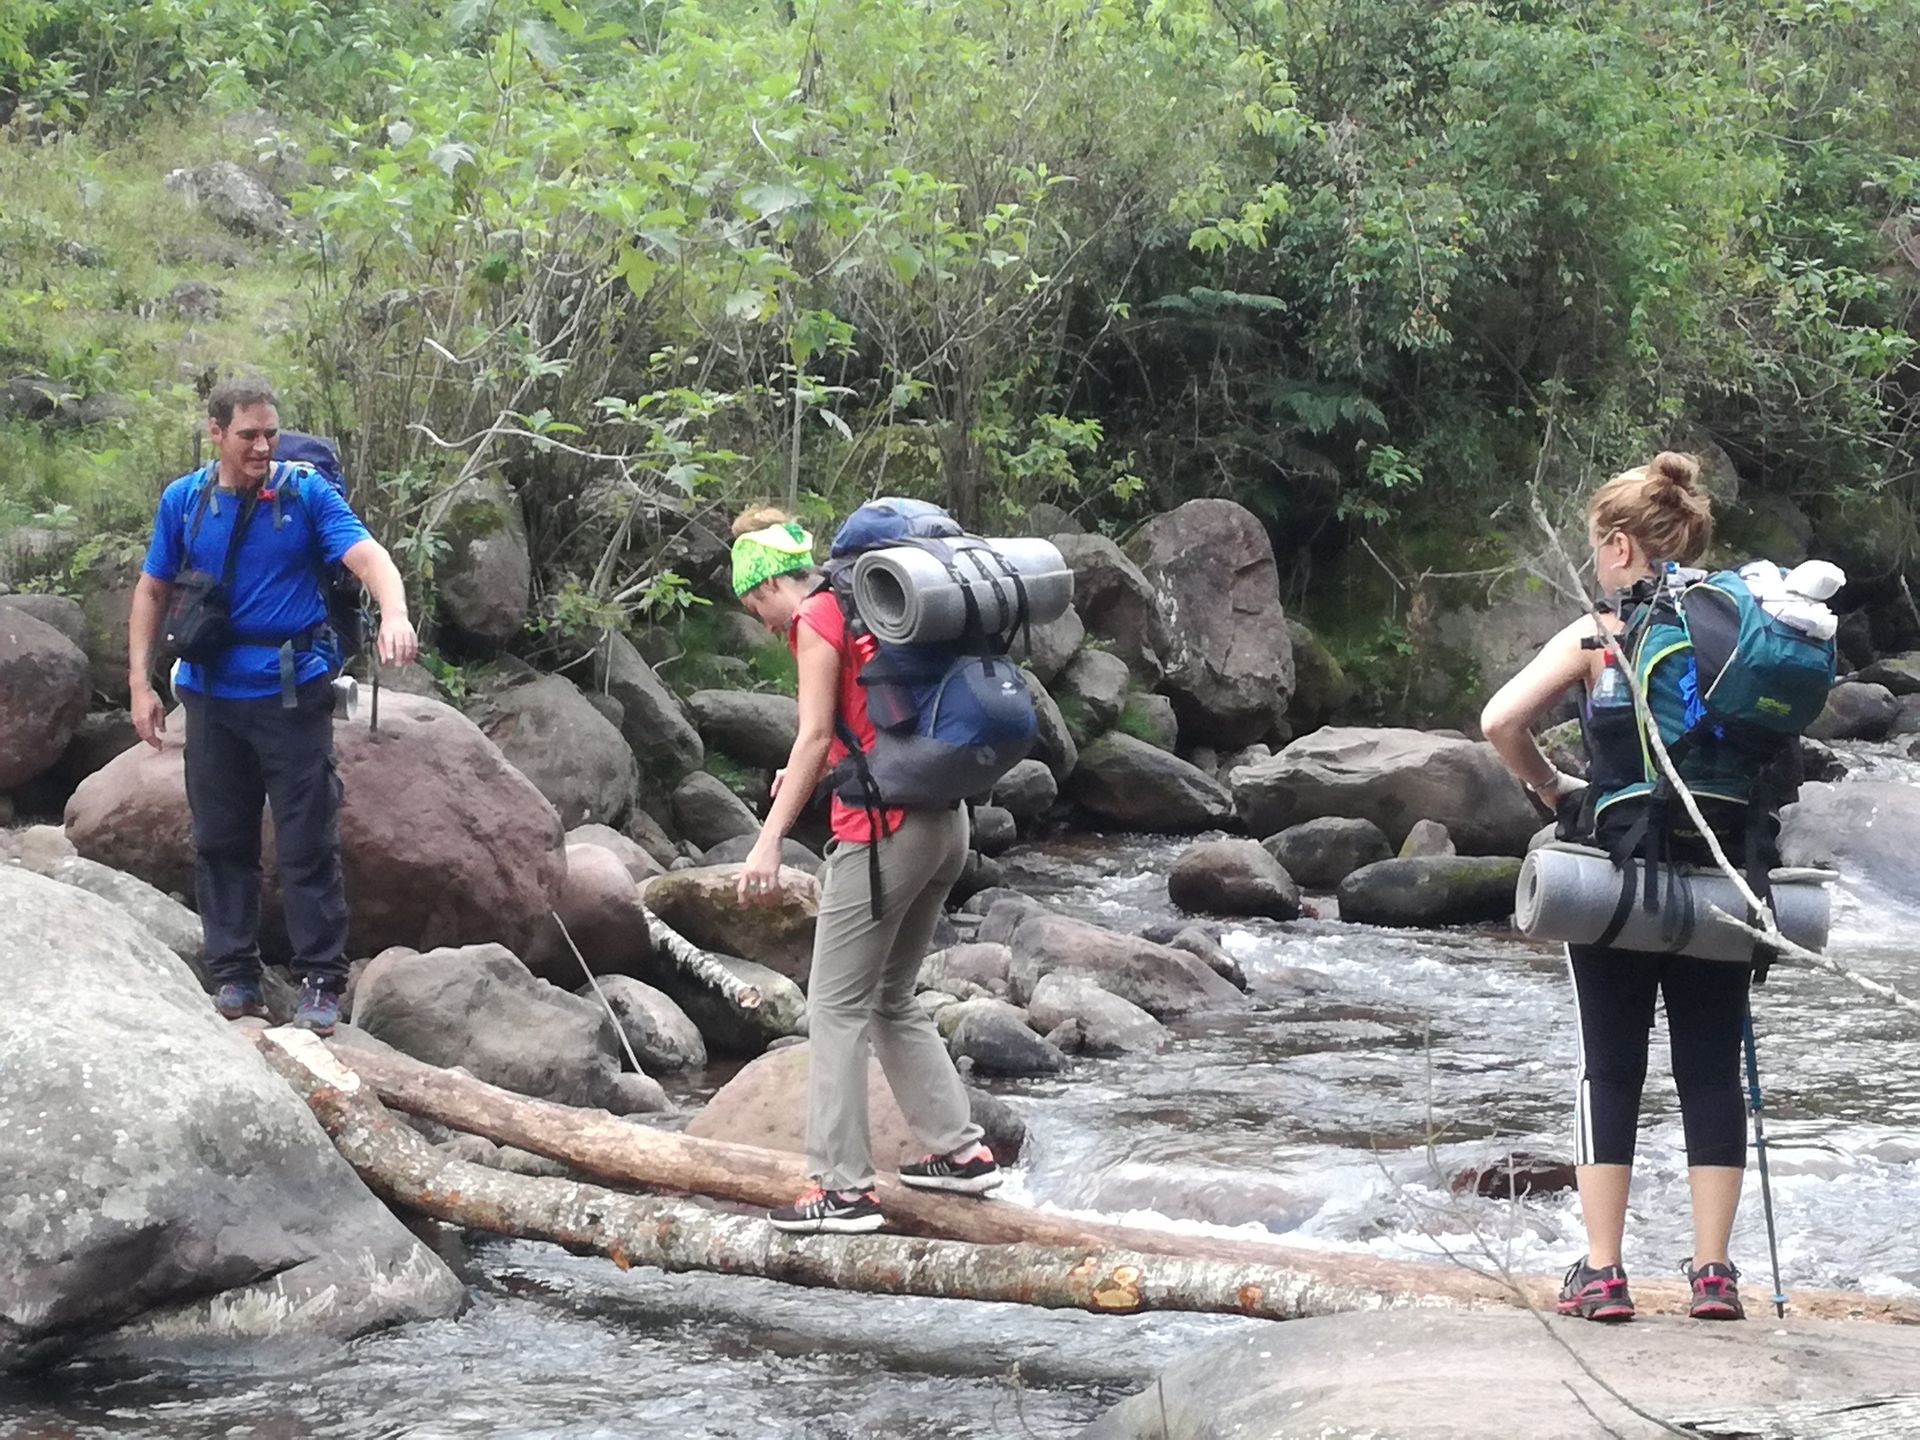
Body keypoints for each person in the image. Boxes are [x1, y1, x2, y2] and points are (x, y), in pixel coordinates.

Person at [1481, 451, 1751, 1324]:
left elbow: (1500, 720)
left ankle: (1604, 1274)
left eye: (1602, 545)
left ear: (1624, 547)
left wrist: (1556, 791)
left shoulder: (1602, 632)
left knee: (1612, 1070)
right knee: (1712, 1071)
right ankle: (1713, 1275)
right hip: (1722, 877)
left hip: (1618, 877)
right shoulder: (1743, 626)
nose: (1600, 561)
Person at [729, 506, 1000, 1234]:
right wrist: (806, 767)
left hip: (883, 831)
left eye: (754, 604)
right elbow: (856, 724)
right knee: (891, 996)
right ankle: (961, 1154)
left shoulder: (817, 618)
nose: (761, 620)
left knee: (835, 1006)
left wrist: (767, 841)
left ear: (765, 586)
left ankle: (841, 1189)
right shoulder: (873, 605)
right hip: (947, 819)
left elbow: (816, 733)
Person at [128, 378, 417, 1035]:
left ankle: (321, 981)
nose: (262, 446)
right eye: (248, 435)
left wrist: (393, 613)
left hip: (290, 697)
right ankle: (235, 977)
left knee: (307, 842)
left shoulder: (304, 494)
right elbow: (152, 590)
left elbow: (369, 558)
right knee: (220, 841)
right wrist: (140, 685)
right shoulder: (186, 501)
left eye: (270, 434)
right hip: (209, 698)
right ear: (215, 433)